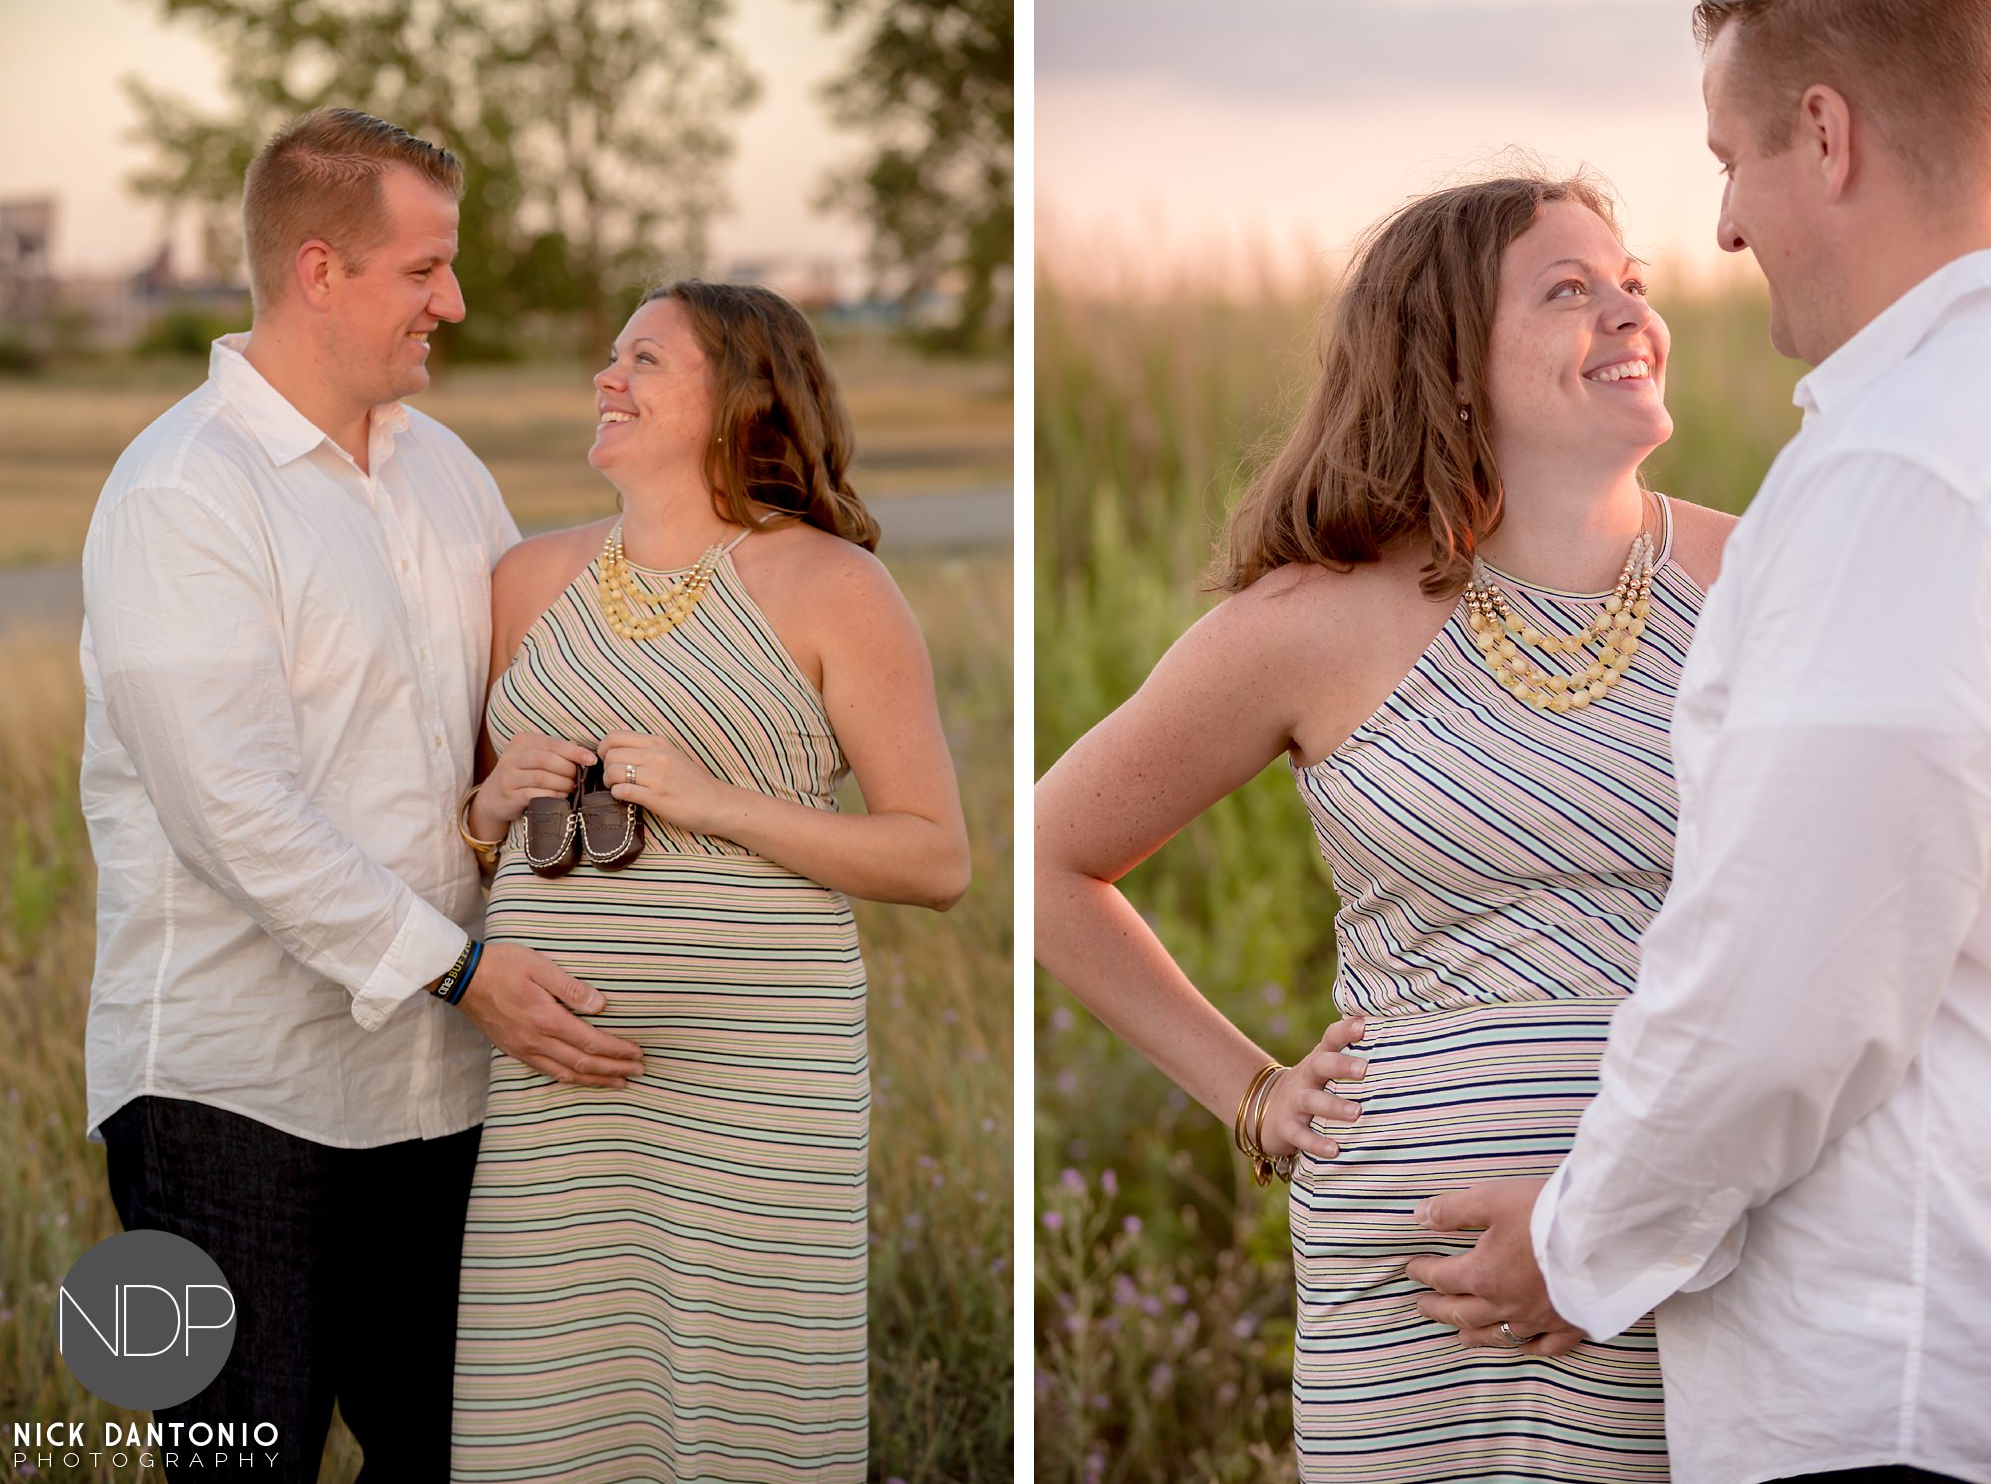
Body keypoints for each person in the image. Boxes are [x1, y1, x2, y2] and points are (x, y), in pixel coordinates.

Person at [1402, 0, 1991, 1482]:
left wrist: (1579, 1242)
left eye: (1727, 163)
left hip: (1896, 1365)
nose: (1725, 232)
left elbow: (1792, 979)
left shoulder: (1903, 470)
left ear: (1824, 137)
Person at [1036, 169, 1737, 1482]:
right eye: (1570, 289)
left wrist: (1630, 1212)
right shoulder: (1314, 623)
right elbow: (1047, 859)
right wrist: (1250, 1096)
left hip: (1677, 1240)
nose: (1629, 312)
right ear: (1452, 355)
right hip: (1406, 1273)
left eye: (1634, 284)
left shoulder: (1762, 577)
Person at [80, 107, 643, 1482]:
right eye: (423, 270)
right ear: (319, 270)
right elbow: (237, 817)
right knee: (240, 1463)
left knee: (450, 1455)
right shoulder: (183, 494)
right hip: (233, 1096)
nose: (453, 301)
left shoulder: (447, 474)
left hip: (441, 1092)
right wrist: (465, 972)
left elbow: (490, 737)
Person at [446, 280, 971, 1482]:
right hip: (551, 1081)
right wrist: (481, 812)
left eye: (645, 360)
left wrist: (709, 800)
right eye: (609, 355)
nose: (606, 378)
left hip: (759, 1088)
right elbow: (486, 821)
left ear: (740, 399)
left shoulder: (833, 586)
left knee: (741, 1419)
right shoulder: (525, 581)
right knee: (538, 1416)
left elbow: (935, 856)